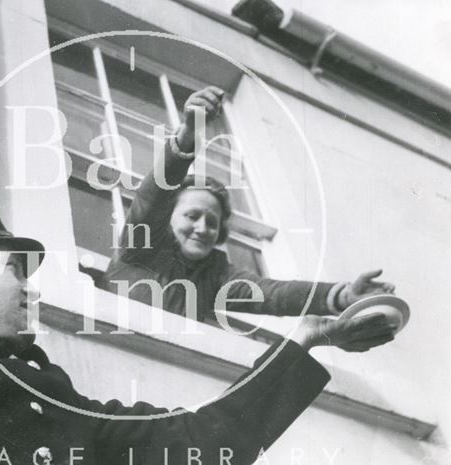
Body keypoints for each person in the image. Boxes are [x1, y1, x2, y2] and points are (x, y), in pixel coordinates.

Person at [0, 191, 396, 465]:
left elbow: (202, 441)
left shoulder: (60, 402)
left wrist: (304, 339)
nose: (33, 291)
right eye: (17, 269)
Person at [103, 86, 395, 323]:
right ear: (167, 218)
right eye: (192, 215)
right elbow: (153, 195)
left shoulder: (214, 276)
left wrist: (342, 295)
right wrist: (189, 132)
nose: (203, 228)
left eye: (212, 222)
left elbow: (273, 294)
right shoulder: (141, 246)